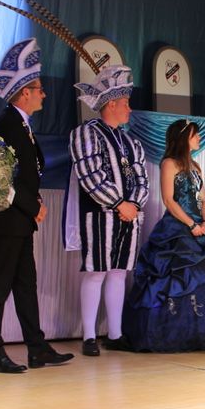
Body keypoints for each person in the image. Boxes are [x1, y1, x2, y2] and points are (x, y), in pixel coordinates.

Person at [0, 38, 73, 372]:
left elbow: (26, 173)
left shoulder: (21, 125)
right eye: (39, 89)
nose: (44, 94)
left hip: (20, 220)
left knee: (25, 285)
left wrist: (35, 202)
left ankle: (36, 347)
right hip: (7, 219)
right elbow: (0, 177)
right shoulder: (6, 124)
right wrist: (32, 207)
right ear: (24, 93)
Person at [121, 119, 205, 352]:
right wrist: (191, 224)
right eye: (196, 134)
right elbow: (168, 200)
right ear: (184, 138)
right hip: (177, 229)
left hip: (199, 229)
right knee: (175, 278)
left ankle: (204, 333)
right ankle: (172, 335)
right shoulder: (169, 163)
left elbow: (203, 199)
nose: (199, 138)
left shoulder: (195, 166)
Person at [66, 65, 149, 356]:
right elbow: (90, 174)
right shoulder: (86, 133)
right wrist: (119, 203)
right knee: (96, 271)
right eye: (125, 103)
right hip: (100, 215)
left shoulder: (131, 141)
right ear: (111, 104)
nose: (129, 109)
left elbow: (142, 177)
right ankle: (89, 336)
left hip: (128, 216)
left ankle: (115, 334)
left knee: (118, 273)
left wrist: (134, 204)